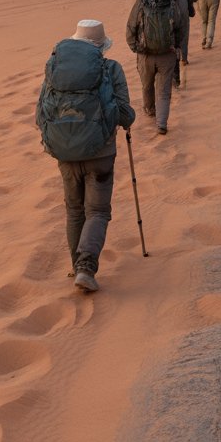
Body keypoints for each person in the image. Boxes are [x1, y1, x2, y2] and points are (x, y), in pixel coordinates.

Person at [35, 19, 135, 294]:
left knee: (74, 209)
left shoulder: (55, 70)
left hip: (65, 153)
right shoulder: (111, 68)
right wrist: (125, 121)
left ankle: (75, 265)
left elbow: (40, 111)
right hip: (101, 153)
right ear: (101, 46)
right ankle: (86, 267)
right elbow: (125, 112)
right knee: (98, 211)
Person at [126, 0, 181, 135]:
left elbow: (131, 27)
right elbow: (179, 26)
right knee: (164, 91)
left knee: (147, 85)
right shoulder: (171, 1)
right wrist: (176, 46)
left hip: (145, 55)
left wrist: (136, 48)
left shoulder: (141, 1)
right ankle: (162, 124)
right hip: (167, 54)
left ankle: (150, 111)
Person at [164, 0, 195, 83]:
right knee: (184, 36)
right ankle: (184, 58)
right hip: (183, 15)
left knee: (172, 39)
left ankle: (172, 65)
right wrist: (190, 11)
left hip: (168, 18)